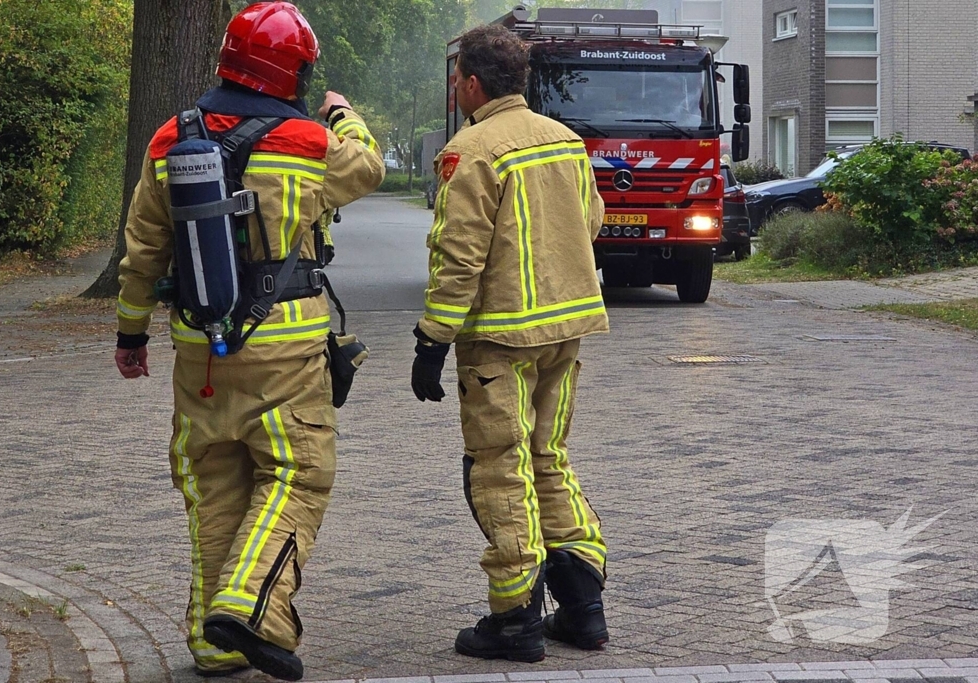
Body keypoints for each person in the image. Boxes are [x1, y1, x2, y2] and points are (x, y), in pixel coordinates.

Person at [114, 3, 383, 679]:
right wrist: (343, 115)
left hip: (198, 348)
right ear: (294, 73)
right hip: (284, 350)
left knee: (214, 487)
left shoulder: (170, 138)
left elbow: (142, 249)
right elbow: (370, 168)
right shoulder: (309, 141)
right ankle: (251, 607)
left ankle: (214, 645)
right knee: (296, 473)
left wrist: (130, 332)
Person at [410, 24, 610, 663]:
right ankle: (583, 608)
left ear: (472, 82)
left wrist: (432, 340)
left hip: (500, 339)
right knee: (548, 456)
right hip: (566, 330)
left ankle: (516, 619)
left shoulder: (471, 149)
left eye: (457, 80)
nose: (456, 88)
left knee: (500, 465)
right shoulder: (565, 140)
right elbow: (592, 220)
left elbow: (459, 256)